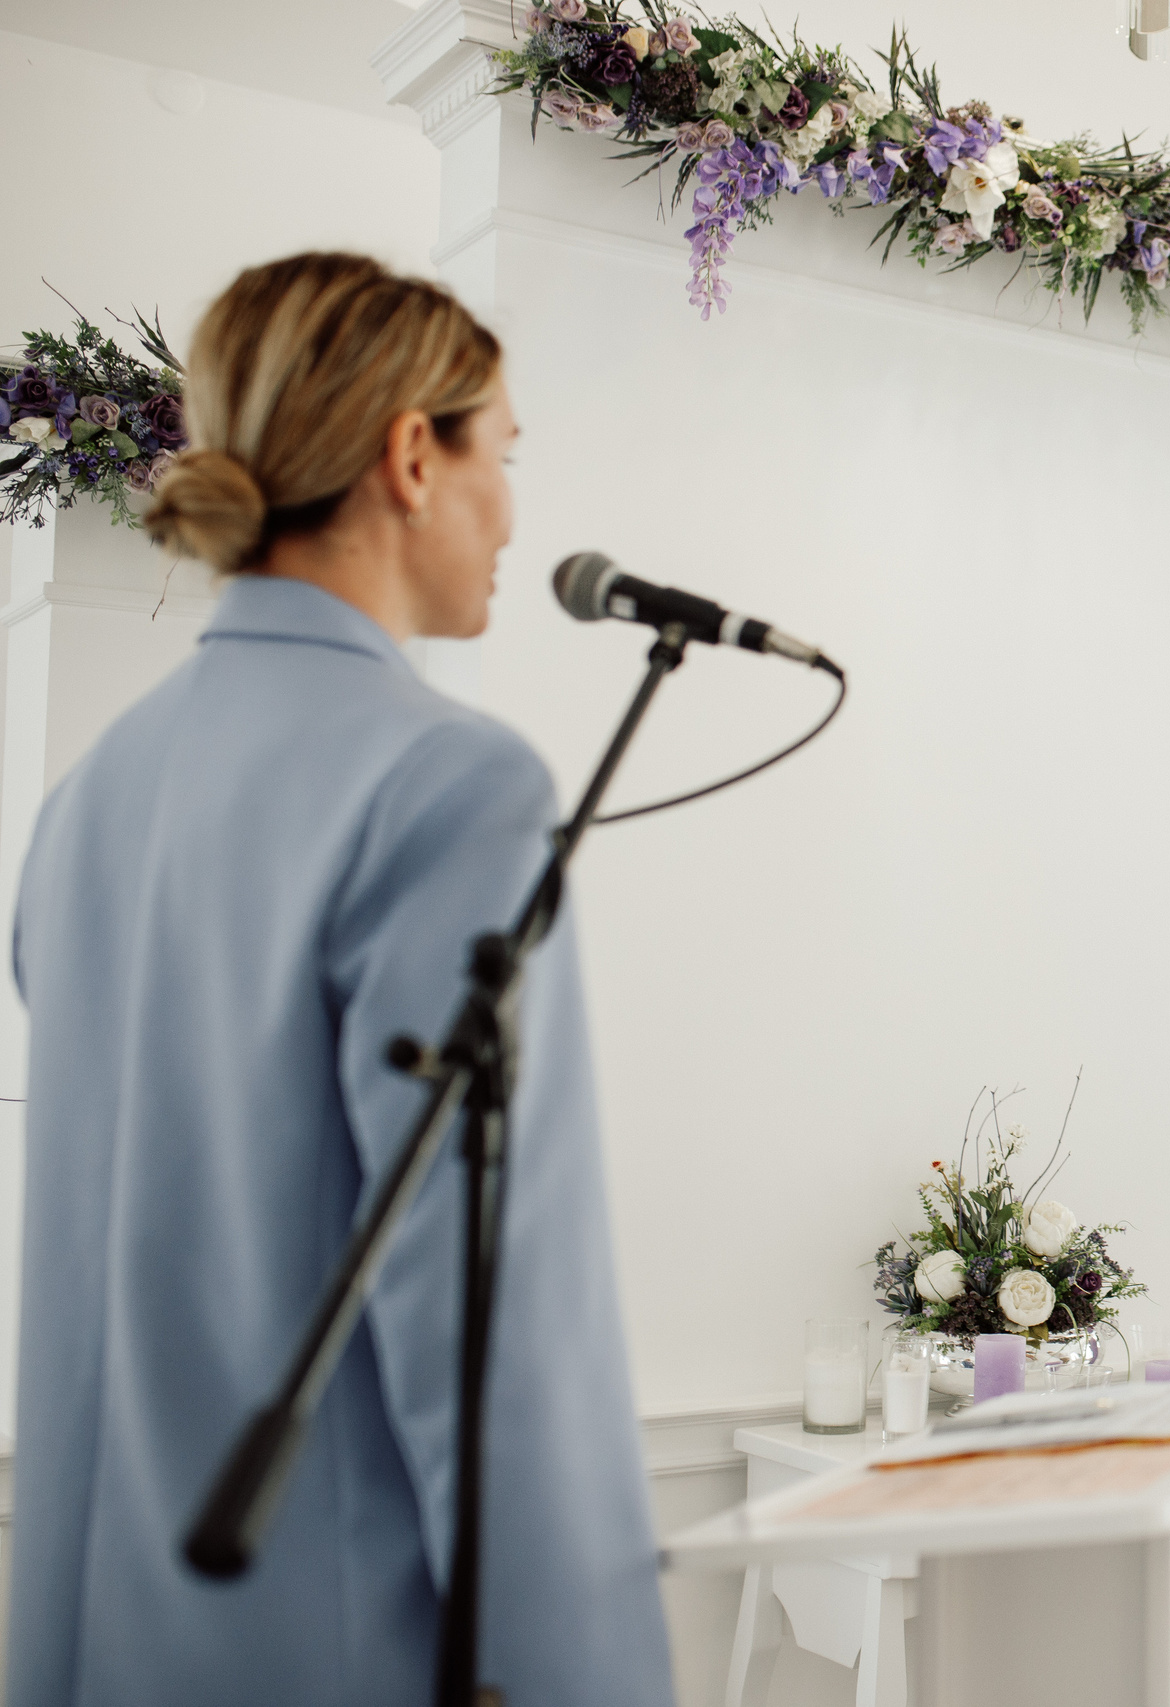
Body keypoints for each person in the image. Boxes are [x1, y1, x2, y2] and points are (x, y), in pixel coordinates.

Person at [10, 254, 674, 1706]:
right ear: (413, 456)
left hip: (90, 1644)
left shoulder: (87, 800)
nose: (513, 515)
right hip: (334, 1651)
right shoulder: (449, 784)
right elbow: (500, 1327)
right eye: (504, 457)